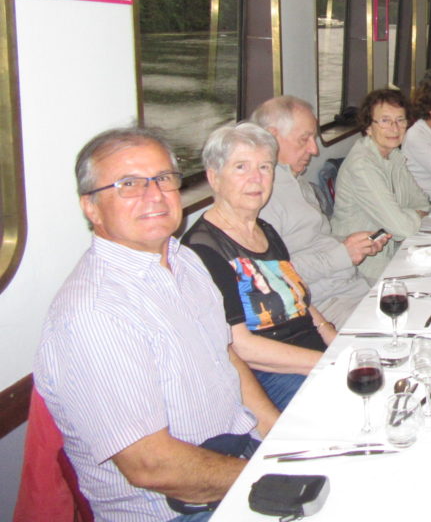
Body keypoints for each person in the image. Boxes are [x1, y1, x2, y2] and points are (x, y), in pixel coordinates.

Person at [35, 127, 277, 521]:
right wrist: (270, 476)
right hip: (181, 508)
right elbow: (151, 465)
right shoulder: (94, 313)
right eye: (128, 184)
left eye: (163, 179)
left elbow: (226, 357)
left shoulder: (185, 261)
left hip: (238, 458)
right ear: (91, 207)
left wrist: (280, 439)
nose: (154, 195)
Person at [183, 123, 337, 411]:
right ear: (214, 177)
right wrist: (329, 363)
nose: (256, 178)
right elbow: (241, 346)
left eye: (265, 167)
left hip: (311, 350)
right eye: (241, 167)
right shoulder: (203, 249)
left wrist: (335, 338)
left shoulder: (265, 229)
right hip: (270, 373)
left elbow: (296, 297)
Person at [253, 96, 383, 327]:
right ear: (272, 137)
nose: (314, 150)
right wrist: (343, 254)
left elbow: (315, 242)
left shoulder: (298, 182)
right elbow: (273, 275)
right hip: (325, 306)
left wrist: (351, 243)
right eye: (305, 139)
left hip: (352, 286)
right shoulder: (261, 199)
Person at [331, 89, 431, 282]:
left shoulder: (393, 156)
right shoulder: (362, 166)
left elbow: (423, 203)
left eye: (401, 120)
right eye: (385, 121)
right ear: (369, 126)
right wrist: (411, 216)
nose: (395, 128)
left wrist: (405, 217)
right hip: (365, 267)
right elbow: (403, 228)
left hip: (395, 251)